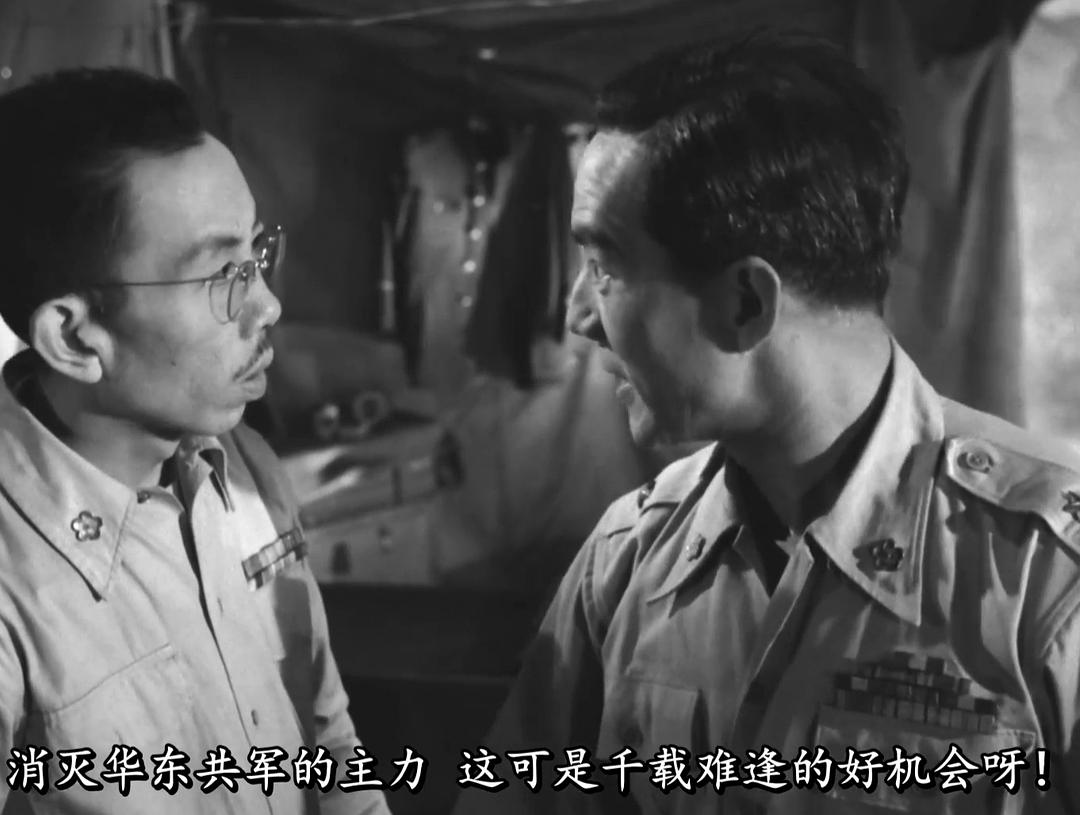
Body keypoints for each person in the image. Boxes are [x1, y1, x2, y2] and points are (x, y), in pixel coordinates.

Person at [450, 32, 1080, 815]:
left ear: (746, 302)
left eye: (606, 265)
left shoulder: (1049, 585)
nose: (579, 314)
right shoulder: (627, 562)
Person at [0, 69, 390, 815]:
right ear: (75, 338)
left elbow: (328, 741)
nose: (266, 305)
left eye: (256, 252)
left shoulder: (240, 467)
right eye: (220, 274)